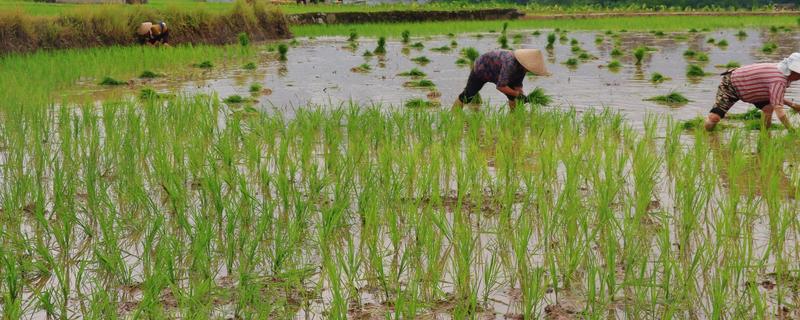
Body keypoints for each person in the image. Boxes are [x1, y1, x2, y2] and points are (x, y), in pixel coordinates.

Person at [705, 52, 800, 131]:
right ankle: (707, 135)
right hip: (732, 84)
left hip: (752, 90)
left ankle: (764, 135)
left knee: (768, 108)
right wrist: (792, 131)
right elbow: (779, 111)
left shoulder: (783, 74)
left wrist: (792, 105)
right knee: (715, 118)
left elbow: (775, 97)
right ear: (792, 71)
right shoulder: (779, 80)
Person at [453, 48, 548, 111]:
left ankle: (514, 118)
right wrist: (516, 94)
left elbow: (517, 85)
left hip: (498, 71)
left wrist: (522, 96)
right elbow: (500, 86)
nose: (531, 70)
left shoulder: (522, 67)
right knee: (467, 95)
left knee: (513, 97)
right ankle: (453, 117)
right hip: (482, 68)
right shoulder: (510, 64)